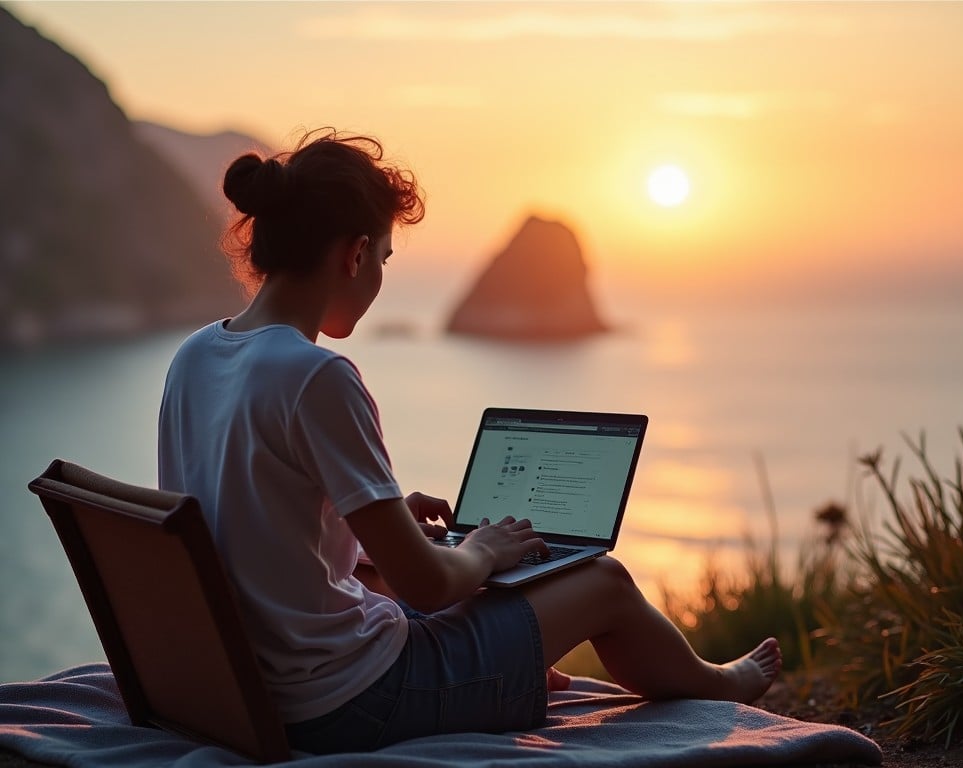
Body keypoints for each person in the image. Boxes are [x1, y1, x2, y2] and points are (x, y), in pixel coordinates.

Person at [157, 128, 781, 754]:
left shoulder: (197, 354)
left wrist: (386, 525)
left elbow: (247, 514)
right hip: (346, 702)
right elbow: (428, 587)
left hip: (258, 681)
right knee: (604, 583)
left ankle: (515, 650)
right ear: (354, 254)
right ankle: (720, 683)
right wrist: (480, 550)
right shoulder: (316, 376)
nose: (378, 280)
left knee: (456, 581)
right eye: (383, 260)